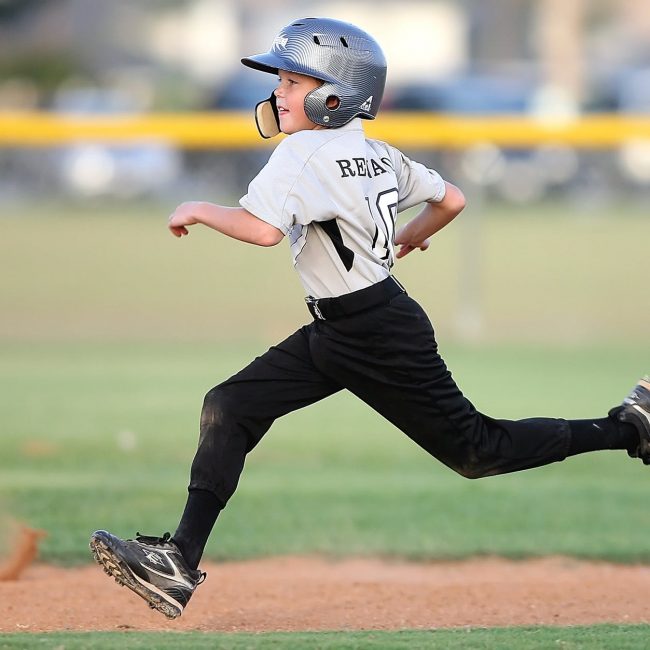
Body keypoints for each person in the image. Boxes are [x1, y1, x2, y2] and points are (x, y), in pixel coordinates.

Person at [89, 17, 650, 620]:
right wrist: (407, 237)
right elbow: (451, 199)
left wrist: (200, 207)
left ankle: (629, 426)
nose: (278, 90)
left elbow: (262, 231)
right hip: (352, 325)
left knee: (478, 450)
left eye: (292, 77)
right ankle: (178, 561)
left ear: (336, 93)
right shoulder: (375, 150)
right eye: (280, 77)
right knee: (231, 405)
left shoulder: (302, 151)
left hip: (375, 334)